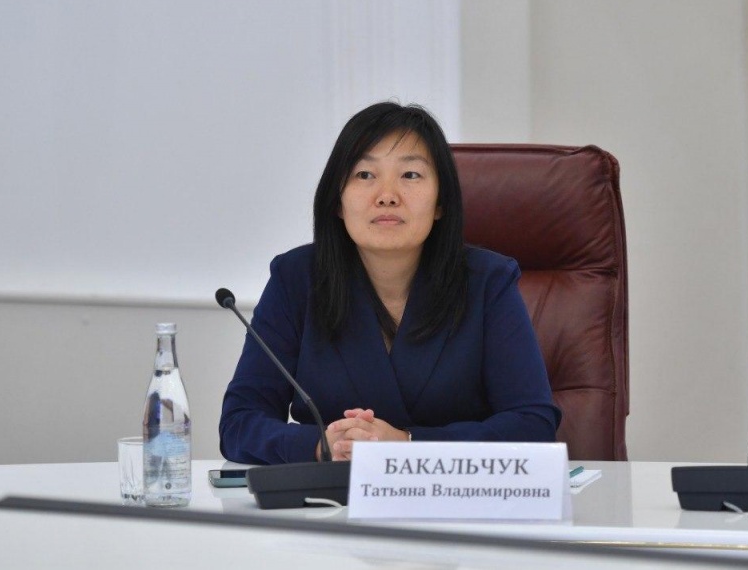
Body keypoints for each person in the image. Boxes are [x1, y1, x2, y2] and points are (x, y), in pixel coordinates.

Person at [219, 102, 560, 464]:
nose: (387, 195)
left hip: (452, 492)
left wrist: (407, 445)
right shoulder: (296, 278)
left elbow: (533, 424)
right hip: (331, 494)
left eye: (410, 175)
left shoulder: (488, 282)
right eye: (364, 174)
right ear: (338, 201)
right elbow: (239, 423)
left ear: (441, 202)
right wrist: (322, 445)